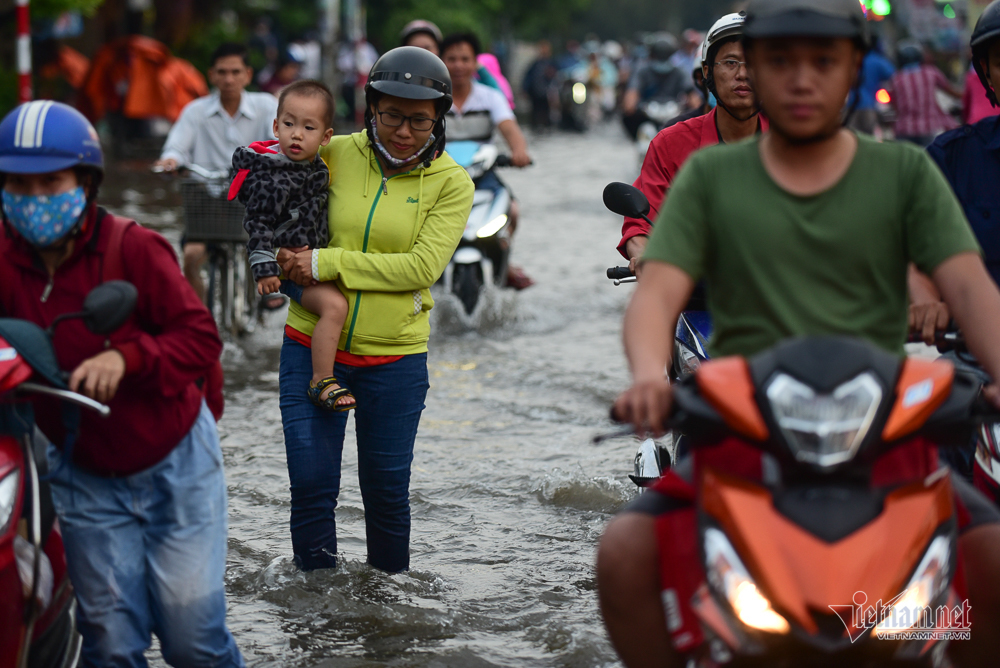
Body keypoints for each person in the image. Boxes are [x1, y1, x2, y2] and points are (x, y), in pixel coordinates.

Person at [599, 1, 1000, 666]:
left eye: (823, 61)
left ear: (852, 72)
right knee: (623, 555)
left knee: (989, 563)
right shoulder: (707, 175)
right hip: (745, 427)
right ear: (752, 71)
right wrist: (647, 377)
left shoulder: (902, 173)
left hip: (881, 434)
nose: (802, 80)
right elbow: (656, 297)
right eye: (781, 62)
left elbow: (968, 289)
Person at [0, 101, 243, 667]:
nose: (33, 197)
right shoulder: (5, 262)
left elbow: (201, 338)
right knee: (109, 644)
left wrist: (128, 358)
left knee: (193, 642)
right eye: (17, 183)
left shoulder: (133, 247)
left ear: (85, 182)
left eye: (50, 182)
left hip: (175, 463)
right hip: (84, 472)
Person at [274, 46, 474, 573]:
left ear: (438, 119)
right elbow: (276, 185)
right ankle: (315, 608)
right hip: (310, 348)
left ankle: (388, 611)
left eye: (418, 120)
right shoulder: (332, 152)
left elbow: (420, 268)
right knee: (312, 486)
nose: (403, 131)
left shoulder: (453, 183)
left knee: (385, 496)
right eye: (391, 116)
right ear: (370, 109)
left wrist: (326, 262)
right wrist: (276, 256)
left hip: (395, 363)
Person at [230, 80, 354, 411]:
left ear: (326, 138)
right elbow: (256, 224)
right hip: (288, 264)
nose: (296, 134)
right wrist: (265, 268)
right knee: (335, 307)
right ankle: (321, 379)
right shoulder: (273, 176)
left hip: (314, 257)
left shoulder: (315, 167)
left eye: (308, 127)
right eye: (288, 124)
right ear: (275, 126)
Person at [619, 12, 767, 277]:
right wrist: (643, 254)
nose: (743, 74)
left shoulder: (797, 143)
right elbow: (641, 226)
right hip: (696, 293)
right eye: (731, 62)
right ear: (707, 72)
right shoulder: (670, 143)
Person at [153, 42, 278, 304]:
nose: (228, 79)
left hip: (251, 200)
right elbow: (177, 146)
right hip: (206, 203)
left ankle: (265, 291)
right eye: (222, 72)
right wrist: (170, 161)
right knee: (191, 256)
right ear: (212, 75)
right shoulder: (195, 111)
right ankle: (199, 317)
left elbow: (279, 140)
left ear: (248, 74)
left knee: (266, 246)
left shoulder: (266, 106)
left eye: (235, 72)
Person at [441, 32, 534, 290]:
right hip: (439, 177)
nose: (458, 65)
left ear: (475, 63)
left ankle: (504, 262)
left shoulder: (490, 97)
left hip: (483, 175)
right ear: (441, 61)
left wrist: (519, 152)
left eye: (465, 59)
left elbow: (510, 129)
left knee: (512, 211)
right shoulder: (433, 99)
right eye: (451, 59)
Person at [621, 34, 694, 141]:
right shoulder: (643, 71)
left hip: (674, 114)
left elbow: (692, 96)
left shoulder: (679, 72)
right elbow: (630, 98)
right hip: (647, 114)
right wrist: (632, 106)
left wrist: (693, 108)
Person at [890, 40, 961, 147]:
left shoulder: (896, 79)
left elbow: (894, 105)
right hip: (927, 129)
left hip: (904, 129)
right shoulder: (931, 72)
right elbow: (952, 92)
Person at [848, 37, 895, 135]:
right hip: (868, 105)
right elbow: (893, 76)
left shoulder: (851, 59)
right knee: (868, 139)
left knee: (852, 138)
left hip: (850, 106)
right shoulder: (876, 60)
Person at [523, 40, 557, 129]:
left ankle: (547, 127)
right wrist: (525, 89)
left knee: (547, 112)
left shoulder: (552, 63)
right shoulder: (535, 64)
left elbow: (556, 78)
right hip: (535, 92)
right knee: (535, 111)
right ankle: (535, 127)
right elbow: (528, 77)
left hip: (547, 92)